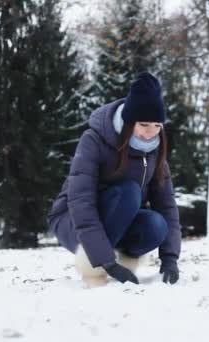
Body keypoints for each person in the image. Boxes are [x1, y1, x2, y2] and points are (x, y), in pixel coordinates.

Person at [47, 72, 181, 286]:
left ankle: (117, 258)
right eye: (144, 125)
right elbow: (80, 200)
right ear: (129, 122)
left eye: (157, 126)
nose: (150, 133)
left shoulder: (155, 151)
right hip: (72, 220)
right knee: (130, 191)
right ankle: (95, 265)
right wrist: (104, 262)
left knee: (156, 224)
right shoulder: (94, 140)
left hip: (120, 222)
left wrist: (170, 258)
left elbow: (166, 205)